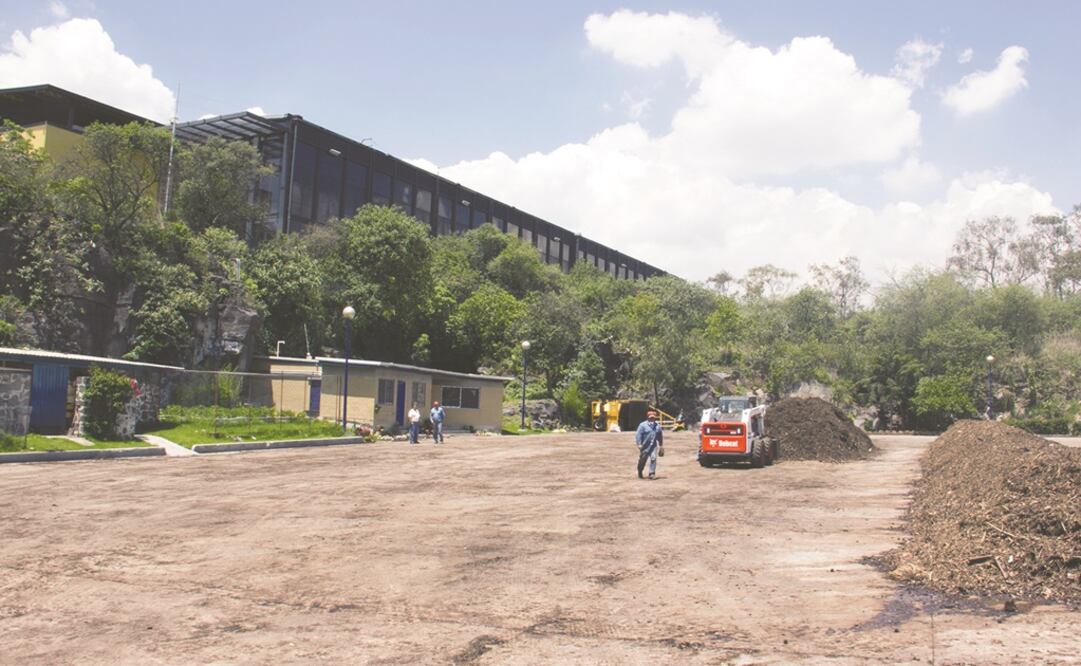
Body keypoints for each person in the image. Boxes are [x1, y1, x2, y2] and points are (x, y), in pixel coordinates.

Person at [635, 410, 663, 479]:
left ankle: (651, 473)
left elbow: (660, 435)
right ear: (647, 417)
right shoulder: (642, 425)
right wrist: (639, 444)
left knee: (653, 458)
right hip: (644, 446)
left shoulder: (657, 426)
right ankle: (640, 471)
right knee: (643, 460)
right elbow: (638, 435)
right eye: (650, 417)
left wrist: (661, 444)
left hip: (653, 446)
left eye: (653, 417)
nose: (652, 419)